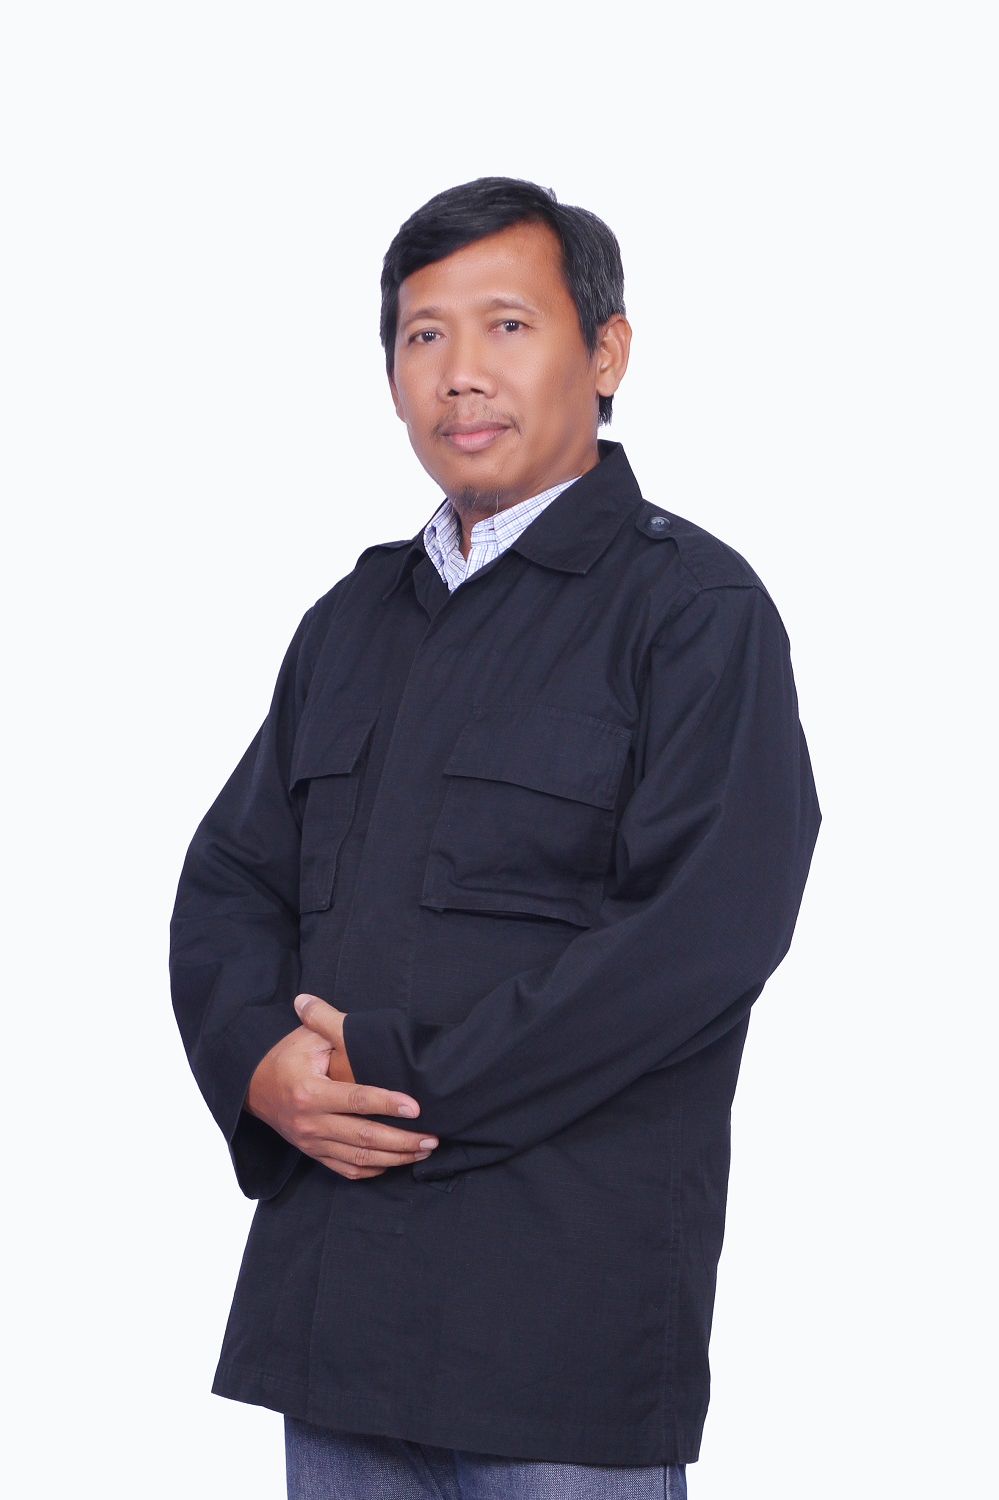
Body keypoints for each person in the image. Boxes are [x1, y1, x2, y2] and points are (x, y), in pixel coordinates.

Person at [170, 176, 820, 1500]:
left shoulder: (691, 611)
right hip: (335, 1316)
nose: (461, 371)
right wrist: (260, 1067)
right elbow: (229, 878)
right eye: (425, 335)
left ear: (607, 352)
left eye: (508, 325)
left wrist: (400, 1079)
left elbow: (699, 938)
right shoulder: (352, 621)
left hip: (557, 1335)